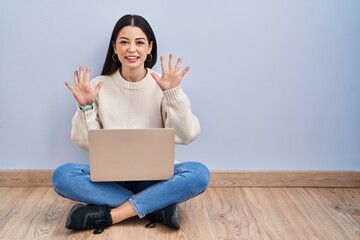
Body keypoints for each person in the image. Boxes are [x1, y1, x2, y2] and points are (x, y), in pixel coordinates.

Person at [52, 14, 210, 234]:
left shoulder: (163, 85)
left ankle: (113, 214)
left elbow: (187, 135)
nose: (131, 49)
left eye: (139, 42)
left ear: (150, 48)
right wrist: (86, 108)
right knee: (62, 176)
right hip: (111, 180)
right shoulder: (97, 86)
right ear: (115, 48)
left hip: (155, 179)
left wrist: (172, 93)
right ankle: (155, 207)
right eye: (124, 42)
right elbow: (83, 142)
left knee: (199, 173)